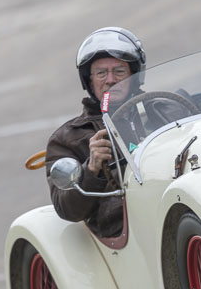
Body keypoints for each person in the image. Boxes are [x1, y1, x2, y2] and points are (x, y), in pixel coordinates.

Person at [45, 27, 146, 237]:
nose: (110, 80)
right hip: (124, 231)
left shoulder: (163, 107)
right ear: (89, 81)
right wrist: (91, 169)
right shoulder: (67, 138)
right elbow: (67, 210)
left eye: (119, 71)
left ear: (134, 76)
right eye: (101, 73)